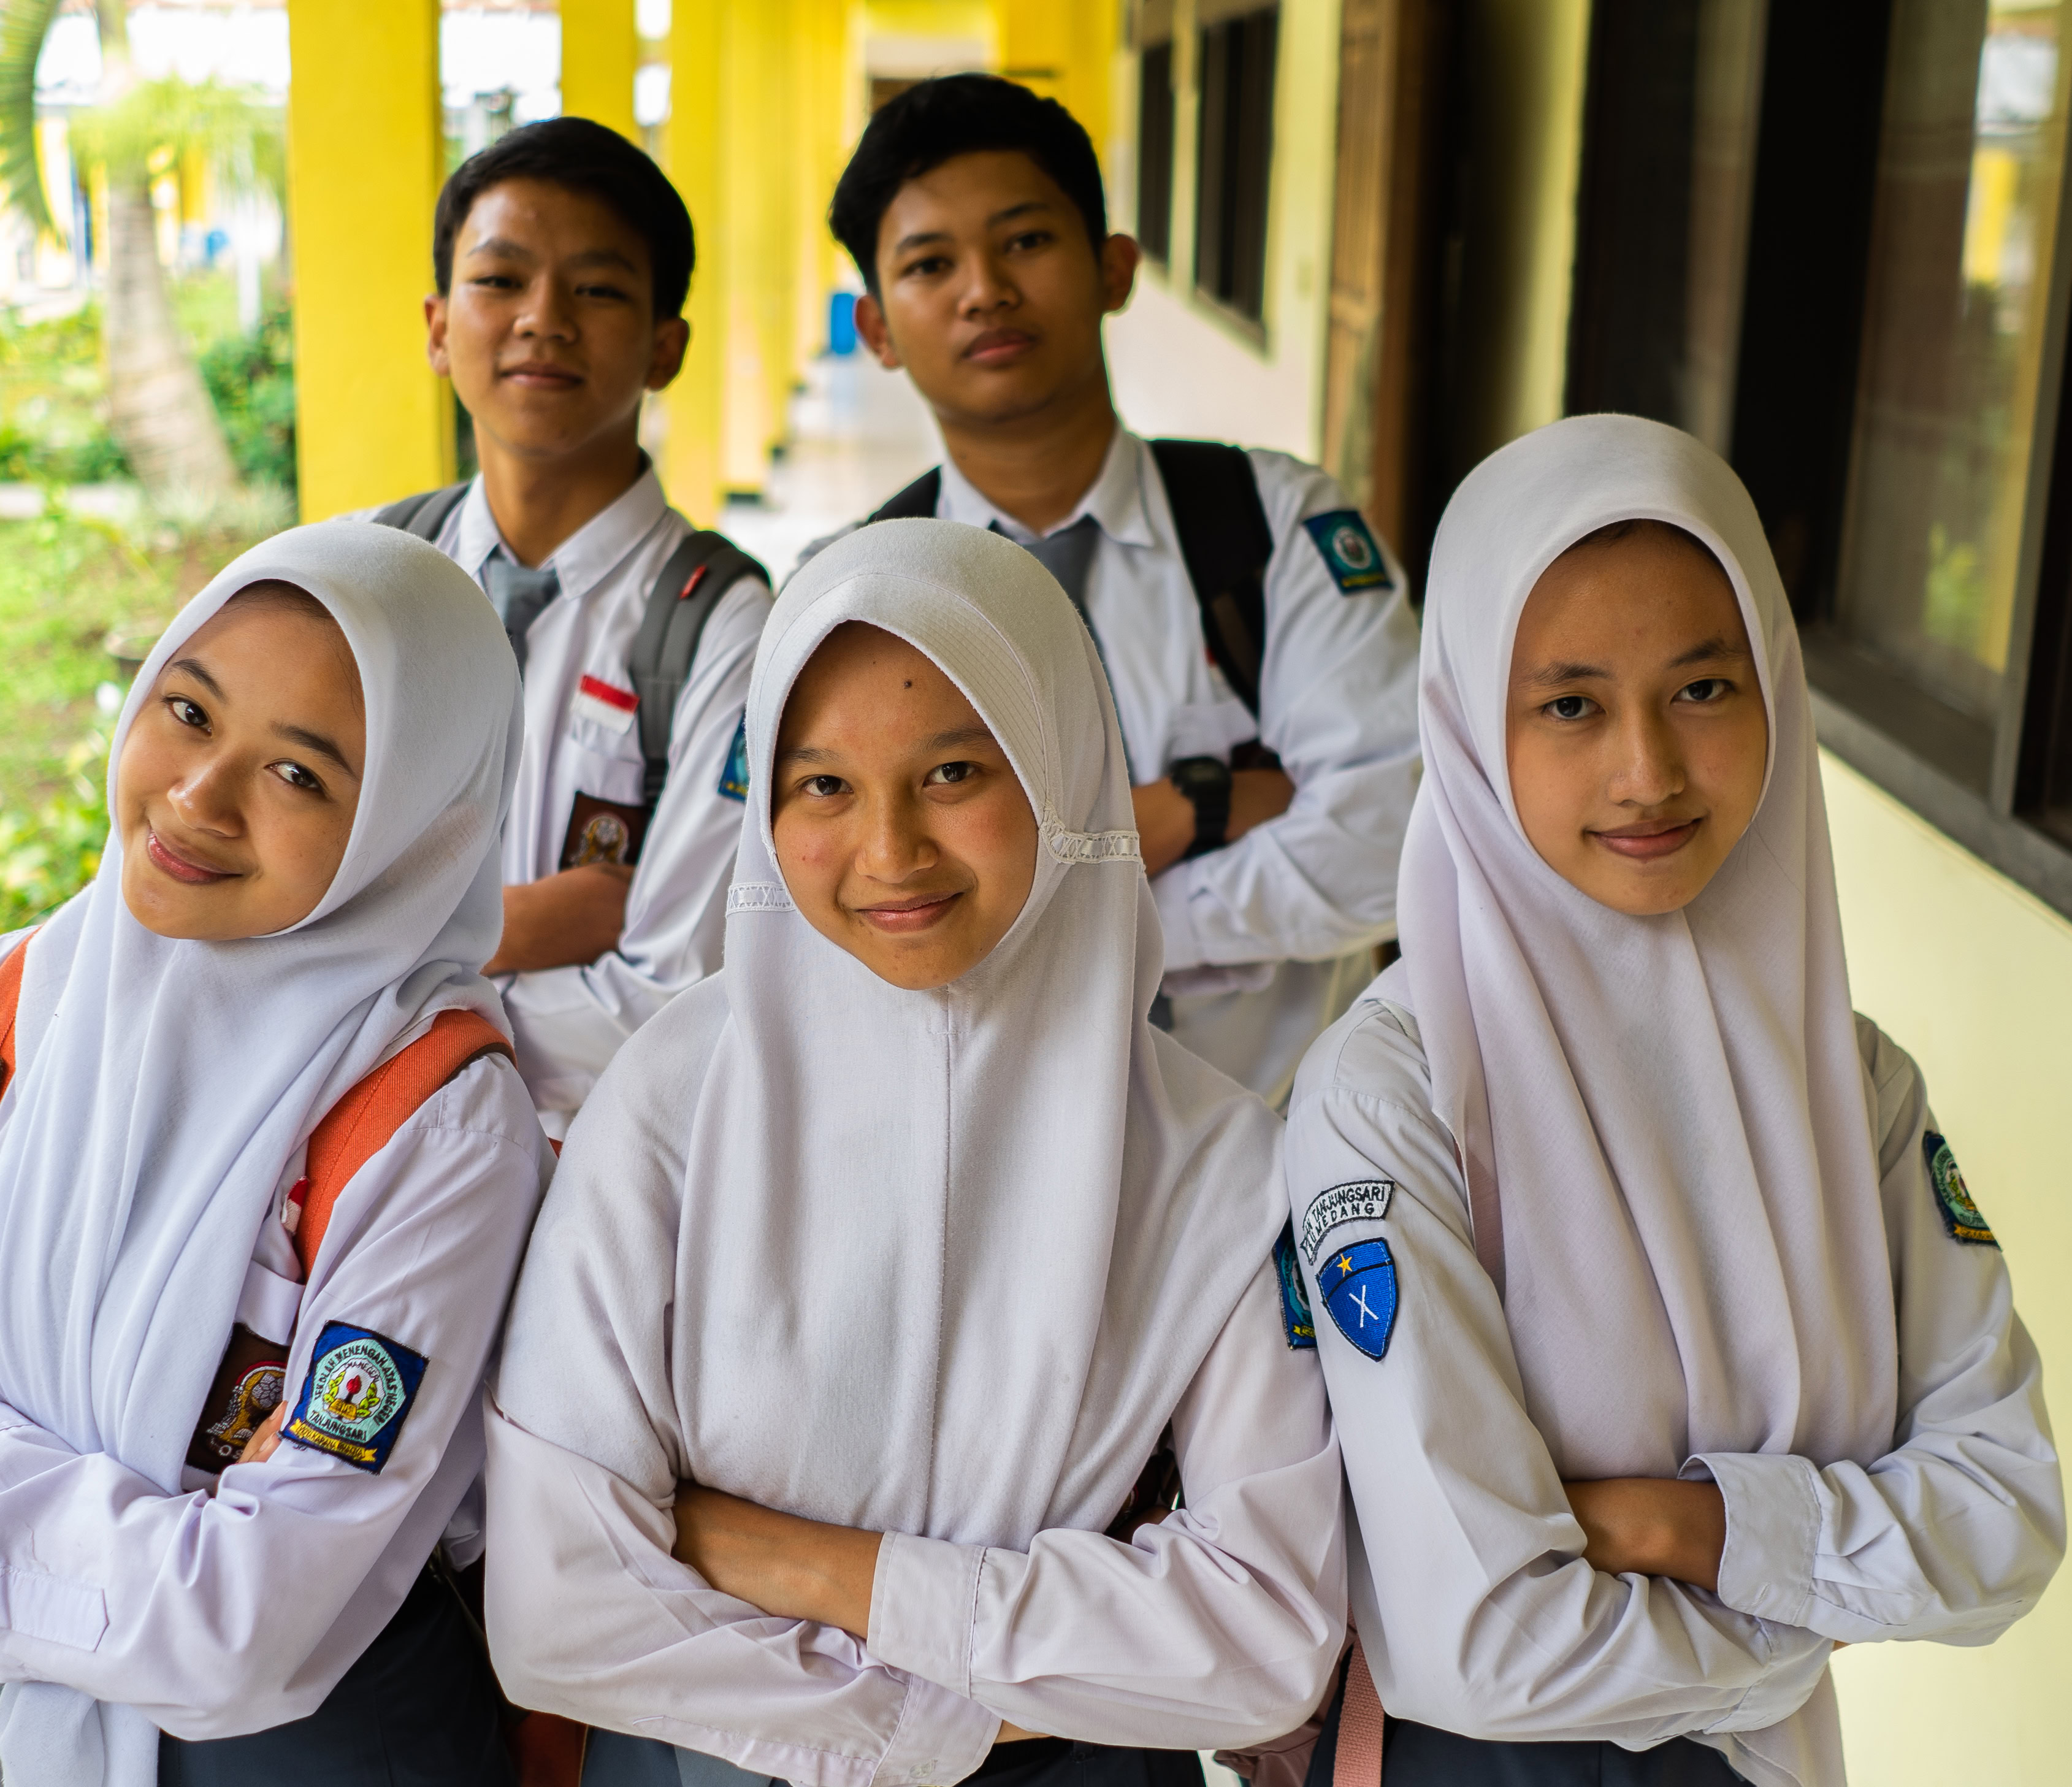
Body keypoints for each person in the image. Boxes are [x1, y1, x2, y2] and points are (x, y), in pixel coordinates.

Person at [484, 521, 1347, 1787]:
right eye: (822, 784)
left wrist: (804, 1566)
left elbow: (1264, 1639)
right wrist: (990, 1701)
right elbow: (561, 1611)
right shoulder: (671, 1102)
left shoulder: (1213, 1160)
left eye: (953, 771)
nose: (889, 852)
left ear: (1061, 766)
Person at [1285, 416, 2065, 1787]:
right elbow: (1485, 1639)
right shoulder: (1396, 1092)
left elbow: (2004, 1518)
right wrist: (1821, 1598)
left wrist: (1674, 1526)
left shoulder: (1852, 1084)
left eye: (1703, 689)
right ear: (1473, 723)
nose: (1647, 769)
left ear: (1774, 685)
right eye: (1571, 704)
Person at [0, 524, 555, 1786]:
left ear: (410, 828)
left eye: (301, 776)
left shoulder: (431, 1116)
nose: (199, 794)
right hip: (36, 1734)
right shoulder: (1, 1009)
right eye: (188, 710)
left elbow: (243, 1634)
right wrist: (134, 1565)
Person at [818, 74, 1420, 1103]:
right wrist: (1203, 806)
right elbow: (824, 919)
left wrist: (1102, 920)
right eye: (930, 264)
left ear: (1113, 268)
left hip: (1261, 1146)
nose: (983, 291)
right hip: (978, 1154)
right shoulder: (855, 596)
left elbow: (1392, 835)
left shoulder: (1271, 526)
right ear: (877, 329)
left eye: (1025, 241)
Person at [365, 115, 770, 1130]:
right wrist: (509, 925)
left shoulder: (725, 626)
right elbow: (253, 911)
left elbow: (673, 995)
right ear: (435, 324)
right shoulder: (359, 575)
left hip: (586, 1177)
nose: (543, 319)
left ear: (665, 346)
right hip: (338, 1183)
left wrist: (369, 985)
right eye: (499, 280)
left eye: (596, 289)